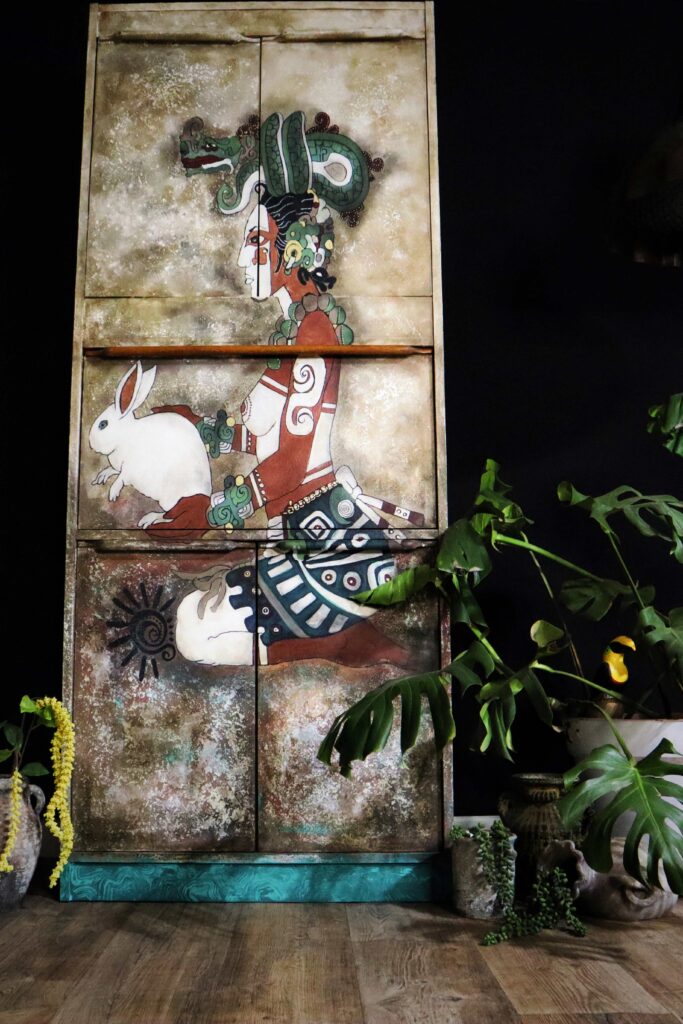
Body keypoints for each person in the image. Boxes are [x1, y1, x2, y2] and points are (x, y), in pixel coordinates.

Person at [170, 111, 420, 668]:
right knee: (189, 619)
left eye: (255, 240)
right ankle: (342, 645)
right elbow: (258, 434)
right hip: (296, 536)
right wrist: (190, 432)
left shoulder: (316, 329)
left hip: (332, 551)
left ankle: (346, 645)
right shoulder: (291, 330)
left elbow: (292, 460)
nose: (243, 258)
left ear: (296, 248)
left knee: (195, 631)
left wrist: (219, 511)